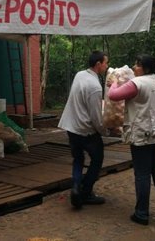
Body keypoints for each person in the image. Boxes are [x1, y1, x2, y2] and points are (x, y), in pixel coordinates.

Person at [107, 54, 155, 225]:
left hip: (143, 135)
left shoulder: (138, 83)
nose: (134, 67)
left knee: (142, 174)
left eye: (136, 64)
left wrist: (114, 81)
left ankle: (142, 213)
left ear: (144, 68)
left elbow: (114, 95)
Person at [58, 50, 109, 209]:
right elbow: (95, 117)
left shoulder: (79, 75)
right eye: (105, 63)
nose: (107, 66)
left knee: (78, 159)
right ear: (98, 64)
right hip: (85, 130)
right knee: (97, 158)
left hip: (71, 126)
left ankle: (75, 187)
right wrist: (105, 131)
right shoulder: (95, 87)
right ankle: (85, 191)